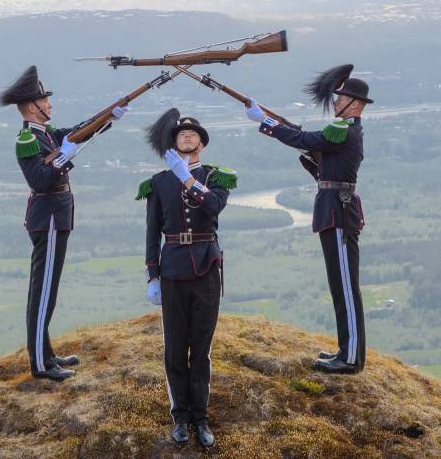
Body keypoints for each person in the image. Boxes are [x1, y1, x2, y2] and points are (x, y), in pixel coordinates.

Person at [0, 65, 126, 381]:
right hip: (49, 219)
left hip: (56, 217)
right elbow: (40, 180)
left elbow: (76, 132)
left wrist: (109, 116)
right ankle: (40, 364)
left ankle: (47, 354)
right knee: (43, 293)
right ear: (33, 107)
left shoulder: (46, 134)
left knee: (47, 291)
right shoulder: (28, 139)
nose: (51, 105)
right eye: (46, 101)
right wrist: (63, 156)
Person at [244, 64, 370, 374]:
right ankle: (345, 349)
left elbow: (302, 138)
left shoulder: (344, 130)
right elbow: (324, 163)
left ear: (355, 104)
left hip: (338, 212)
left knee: (345, 286)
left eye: (341, 99)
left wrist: (268, 122)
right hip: (331, 209)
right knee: (338, 286)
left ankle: (352, 358)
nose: (336, 102)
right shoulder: (343, 131)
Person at [138, 109, 236, 448]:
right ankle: (180, 417)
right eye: (182, 134)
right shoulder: (159, 183)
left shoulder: (216, 177)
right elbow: (152, 234)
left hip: (207, 268)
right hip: (173, 271)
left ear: (202, 144)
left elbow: (213, 208)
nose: (188, 135)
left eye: (194, 133)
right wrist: (153, 275)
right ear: (174, 144)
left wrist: (188, 179)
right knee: (175, 350)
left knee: (202, 349)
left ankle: (201, 418)